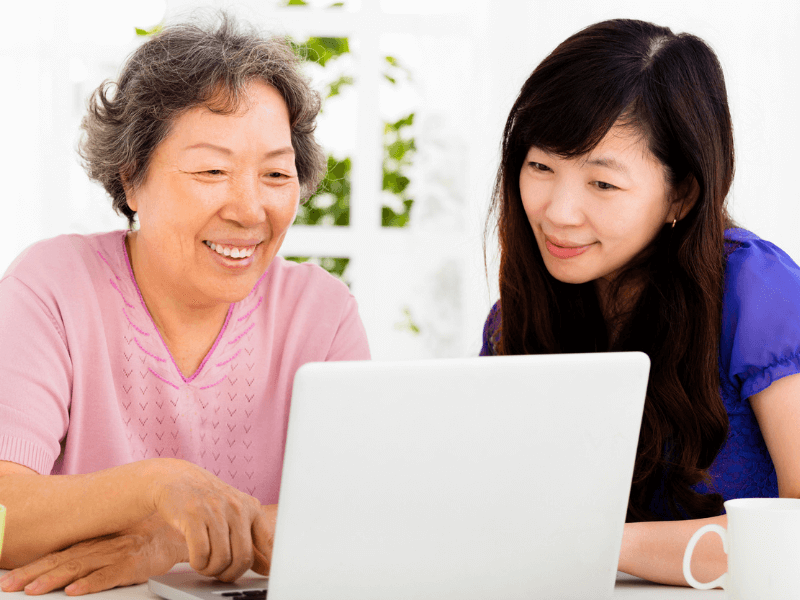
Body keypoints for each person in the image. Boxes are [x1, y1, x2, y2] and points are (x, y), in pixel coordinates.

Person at [0, 13, 370, 595]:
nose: (250, 210)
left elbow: (362, 523)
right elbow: (3, 511)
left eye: (276, 172)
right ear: (130, 179)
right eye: (211, 170)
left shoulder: (321, 313)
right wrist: (156, 487)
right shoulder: (52, 287)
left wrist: (173, 540)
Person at [481, 19, 800, 587]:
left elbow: (796, 534)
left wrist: (591, 542)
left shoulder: (760, 291)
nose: (558, 212)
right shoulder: (517, 317)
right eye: (540, 167)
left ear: (682, 192)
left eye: (602, 184)